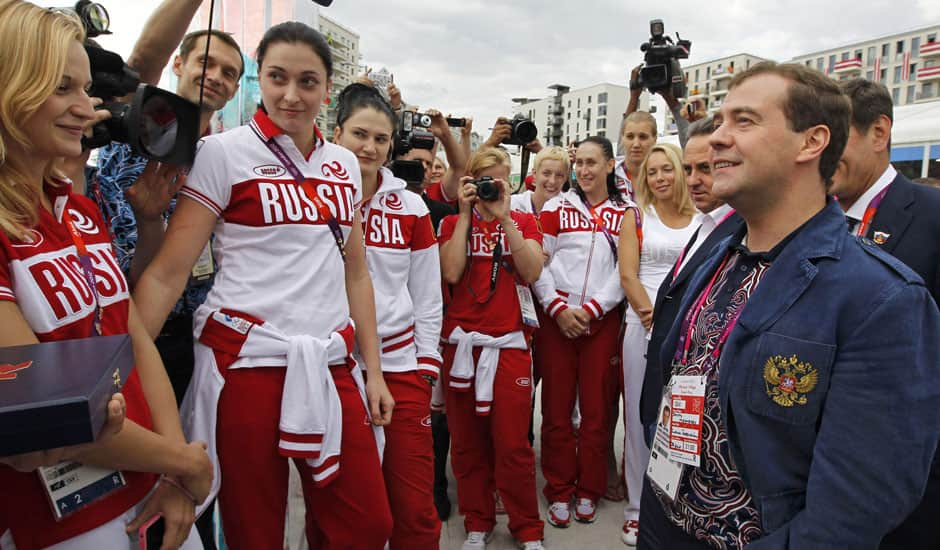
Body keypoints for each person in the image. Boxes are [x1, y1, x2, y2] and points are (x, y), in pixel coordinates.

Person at [639, 61, 940, 549]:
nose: (717, 137)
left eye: (745, 121)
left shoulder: (882, 299)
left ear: (811, 142)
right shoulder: (717, 253)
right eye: (719, 121)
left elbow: (852, 510)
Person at [132, 22, 394, 549]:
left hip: (329, 361)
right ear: (261, 78)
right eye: (277, 78)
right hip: (247, 364)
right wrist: (123, 365)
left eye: (307, 82)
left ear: (327, 88)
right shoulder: (222, 153)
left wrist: (375, 371)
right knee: (255, 532)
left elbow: (356, 272)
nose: (291, 96)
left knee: (366, 525)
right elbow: (169, 270)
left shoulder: (343, 163)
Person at [0, 3, 212, 548]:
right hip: (55, 525)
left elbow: (132, 336)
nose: (89, 110)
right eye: (63, 88)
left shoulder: (81, 212)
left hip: (153, 492)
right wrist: (184, 458)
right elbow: (41, 409)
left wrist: (171, 470)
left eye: (87, 90)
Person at [332, 82, 443, 549]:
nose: (370, 147)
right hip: (333, 367)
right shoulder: (314, 195)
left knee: (415, 507)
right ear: (336, 134)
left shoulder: (411, 206)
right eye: (359, 134)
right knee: (340, 509)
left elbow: (427, 293)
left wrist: (426, 366)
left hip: (400, 368)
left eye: (381, 139)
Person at [831, 78, 940, 550]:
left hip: (908, 475)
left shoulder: (933, 216)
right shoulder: (812, 221)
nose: (821, 152)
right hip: (823, 469)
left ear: (879, 132)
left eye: (837, 137)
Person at [438, 147, 545, 550]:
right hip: (463, 345)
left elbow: (533, 271)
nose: (488, 189)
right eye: (482, 182)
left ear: (509, 183)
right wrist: (466, 216)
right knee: (466, 443)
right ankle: (478, 522)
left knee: (513, 445)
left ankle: (527, 528)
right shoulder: (451, 223)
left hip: (509, 344)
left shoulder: (522, 221)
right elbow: (449, 272)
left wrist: (505, 220)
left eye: (497, 182)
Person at [532, 136, 631, 529]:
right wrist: (557, 309)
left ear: (610, 165)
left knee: (596, 412)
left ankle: (588, 489)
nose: (585, 171)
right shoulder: (556, 207)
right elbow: (541, 261)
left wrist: (591, 310)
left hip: (600, 323)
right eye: (581, 164)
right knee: (555, 410)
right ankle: (558, 489)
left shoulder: (627, 213)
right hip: (557, 322)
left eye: (593, 163)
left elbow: (626, 272)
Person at [639, 117, 744, 454]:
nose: (694, 181)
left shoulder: (742, 231)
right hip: (669, 399)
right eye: (687, 169)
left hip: (698, 412)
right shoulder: (706, 223)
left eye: (706, 168)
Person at [618, 142, 697, 546]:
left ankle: (676, 504)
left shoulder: (704, 219)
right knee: (639, 418)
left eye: (667, 169)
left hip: (691, 336)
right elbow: (628, 275)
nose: (661, 178)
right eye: (652, 172)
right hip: (643, 326)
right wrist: (653, 317)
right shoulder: (636, 216)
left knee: (681, 422)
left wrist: (683, 325)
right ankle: (636, 509)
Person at [510, 146, 569, 216]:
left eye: (559, 175)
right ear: (534, 174)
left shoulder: (571, 210)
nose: (552, 181)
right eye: (546, 174)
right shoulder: (512, 204)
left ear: (565, 178)